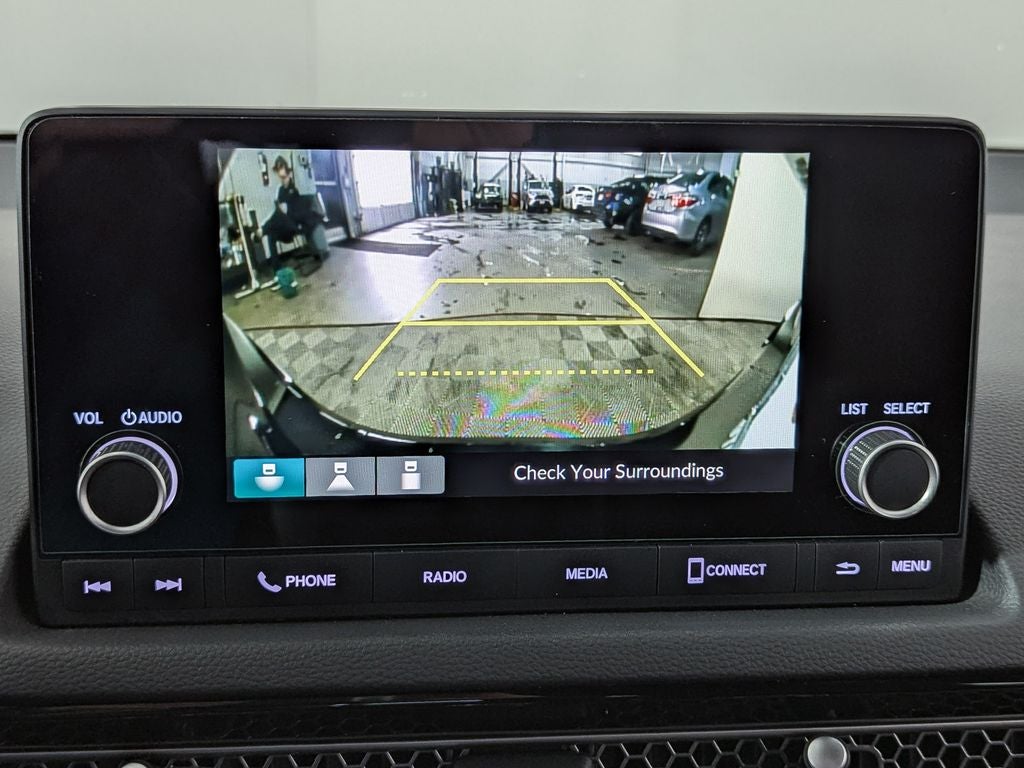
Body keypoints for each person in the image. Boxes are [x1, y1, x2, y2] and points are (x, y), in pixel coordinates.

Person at [260, 156, 328, 273]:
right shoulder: (280, 190)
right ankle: (278, 270)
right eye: (278, 170)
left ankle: (262, 230)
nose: (280, 173)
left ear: (287, 171)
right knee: (272, 234)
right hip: (285, 226)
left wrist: (287, 208)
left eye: (281, 168)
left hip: (296, 224)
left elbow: (300, 208)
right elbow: (279, 211)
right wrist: (281, 209)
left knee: (279, 216)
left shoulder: (295, 188)